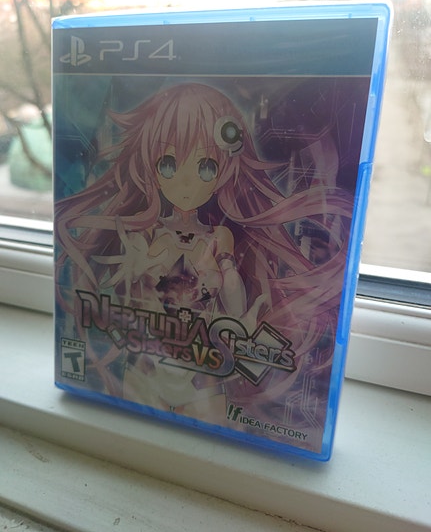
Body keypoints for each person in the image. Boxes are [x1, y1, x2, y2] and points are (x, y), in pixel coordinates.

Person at [56, 82, 352, 440]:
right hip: (147, 364)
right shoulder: (147, 234)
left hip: (204, 371)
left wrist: (239, 311)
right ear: (150, 165)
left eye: (206, 167)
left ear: (225, 169)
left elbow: (232, 297)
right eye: (168, 164)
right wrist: (135, 268)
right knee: (130, 439)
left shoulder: (218, 237)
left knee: (214, 446)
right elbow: (128, 292)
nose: (186, 182)